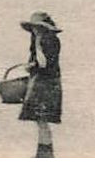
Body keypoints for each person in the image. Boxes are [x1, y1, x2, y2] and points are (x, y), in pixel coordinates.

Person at [18, 11, 63, 157]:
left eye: (37, 28)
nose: (35, 31)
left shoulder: (50, 40)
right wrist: (30, 65)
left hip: (47, 84)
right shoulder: (38, 40)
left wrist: (37, 44)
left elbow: (43, 63)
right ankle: (44, 153)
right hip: (42, 82)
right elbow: (36, 62)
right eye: (34, 28)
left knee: (42, 120)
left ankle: (45, 155)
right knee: (40, 120)